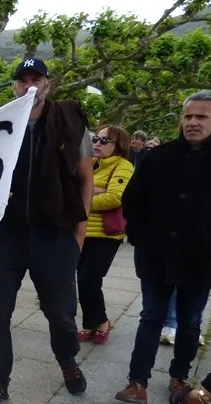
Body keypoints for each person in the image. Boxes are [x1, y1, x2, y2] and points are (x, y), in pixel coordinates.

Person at [0, 58, 95, 404]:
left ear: (47, 84)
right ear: (14, 86)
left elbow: (85, 178)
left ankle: (67, 360)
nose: (29, 84)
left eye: (36, 78)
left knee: (60, 313)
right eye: (22, 79)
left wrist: (80, 232)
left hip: (54, 235)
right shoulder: (0, 124)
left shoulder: (71, 121)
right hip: (8, 235)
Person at [116, 90, 211, 404]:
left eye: (201, 117)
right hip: (156, 255)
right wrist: (139, 236)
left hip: (201, 260)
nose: (192, 123)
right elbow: (132, 200)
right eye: (188, 116)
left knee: (190, 321)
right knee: (151, 316)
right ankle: (137, 382)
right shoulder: (159, 157)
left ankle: (179, 379)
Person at [76, 125, 134, 345]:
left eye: (103, 140)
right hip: (83, 231)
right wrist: (95, 191)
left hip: (106, 234)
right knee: (82, 279)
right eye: (95, 139)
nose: (97, 144)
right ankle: (90, 322)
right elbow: (72, 187)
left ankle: (100, 321)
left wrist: (86, 195)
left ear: (118, 145)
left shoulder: (123, 165)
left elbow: (115, 198)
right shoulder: (90, 164)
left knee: (90, 277)